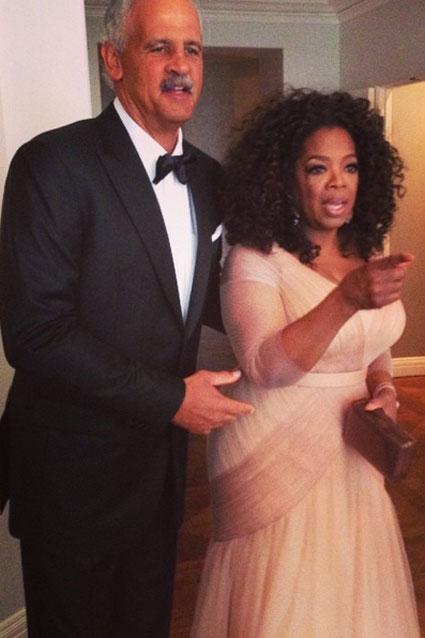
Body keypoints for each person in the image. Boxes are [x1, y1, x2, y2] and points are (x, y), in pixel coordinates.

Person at [0, 0, 253, 636]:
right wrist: (173, 399)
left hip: (160, 480)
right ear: (113, 59)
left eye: (192, 49)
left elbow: (214, 299)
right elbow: (35, 333)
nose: (181, 66)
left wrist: (327, 317)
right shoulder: (51, 164)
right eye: (159, 47)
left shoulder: (211, 179)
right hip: (71, 481)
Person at [191, 89, 420, 637]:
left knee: (351, 598)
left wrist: (385, 388)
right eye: (318, 168)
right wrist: (347, 298)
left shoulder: (367, 253)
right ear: (285, 179)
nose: (338, 183)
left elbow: (374, 343)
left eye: (350, 167)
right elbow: (265, 366)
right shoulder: (254, 258)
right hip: (275, 453)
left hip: (354, 452)